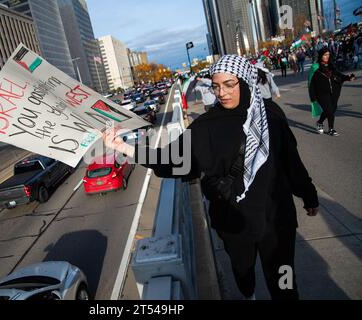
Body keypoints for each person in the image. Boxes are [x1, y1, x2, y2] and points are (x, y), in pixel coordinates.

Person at [104, 55, 319, 300]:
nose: (221, 93)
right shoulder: (207, 126)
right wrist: (125, 148)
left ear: (246, 81)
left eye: (229, 84)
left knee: (284, 280)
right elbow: (169, 159)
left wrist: (308, 195)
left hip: (277, 221)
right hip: (235, 224)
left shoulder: (272, 114)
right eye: (216, 86)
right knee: (243, 272)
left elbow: (292, 162)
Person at [308, 47, 356, 136]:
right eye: (325, 55)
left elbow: (339, 75)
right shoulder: (315, 67)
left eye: (328, 55)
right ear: (321, 56)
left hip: (333, 92)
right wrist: (313, 96)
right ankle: (331, 129)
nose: (327, 57)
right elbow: (311, 83)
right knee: (329, 110)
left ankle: (320, 122)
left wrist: (348, 77)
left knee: (331, 110)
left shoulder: (331, 65)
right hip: (321, 94)